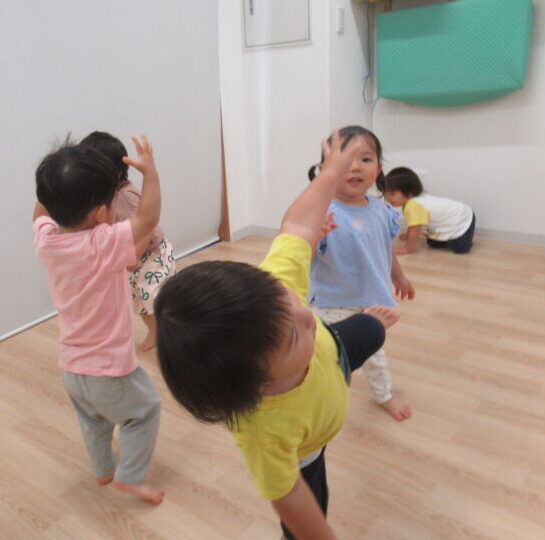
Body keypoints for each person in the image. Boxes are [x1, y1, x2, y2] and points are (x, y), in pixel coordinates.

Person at [155, 130, 399, 539]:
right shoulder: (265, 433)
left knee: (370, 328)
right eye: (292, 337)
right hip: (310, 448)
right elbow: (290, 499)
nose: (307, 316)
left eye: (291, 301)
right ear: (258, 382)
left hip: (333, 350)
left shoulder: (271, 294)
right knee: (312, 503)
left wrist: (330, 172)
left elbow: (298, 225)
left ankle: (373, 325)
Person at [33, 135, 164, 504]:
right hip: (109, 368)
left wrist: (55, 169)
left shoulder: (47, 241)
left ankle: (104, 470)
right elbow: (148, 218)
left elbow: (40, 214)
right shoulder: (103, 243)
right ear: (101, 213)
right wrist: (151, 173)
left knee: (94, 421)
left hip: (71, 368)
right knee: (145, 411)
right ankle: (130, 477)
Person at [308, 126, 414, 421]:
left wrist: (398, 276)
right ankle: (318, 394)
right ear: (326, 169)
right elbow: (302, 255)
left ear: (378, 169)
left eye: (365, 159)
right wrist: (313, 237)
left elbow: (384, 247)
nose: (355, 167)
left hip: (371, 301)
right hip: (331, 303)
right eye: (345, 159)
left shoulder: (382, 210)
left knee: (373, 353)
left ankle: (384, 393)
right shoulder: (322, 212)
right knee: (327, 354)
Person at [80, 131, 176, 351]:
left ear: (114, 170)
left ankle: (159, 332)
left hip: (152, 255)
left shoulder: (125, 196)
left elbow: (146, 228)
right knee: (141, 301)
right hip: (137, 258)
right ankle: (160, 328)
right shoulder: (109, 195)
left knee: (149, 300)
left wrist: (133, 256)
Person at [383, 166, 475, 254]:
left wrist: (407, 248)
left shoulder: (414, 206)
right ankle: (448, 237)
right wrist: (408, 235)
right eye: (386, 193)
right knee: (433, 243)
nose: (388, 197)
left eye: (392, 194)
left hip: (462, 217)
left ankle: (460, 238)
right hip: (446, 221)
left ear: (409, 192)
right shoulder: (410, 203)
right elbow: (412, 224)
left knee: (460, 248)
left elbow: (415, 229)